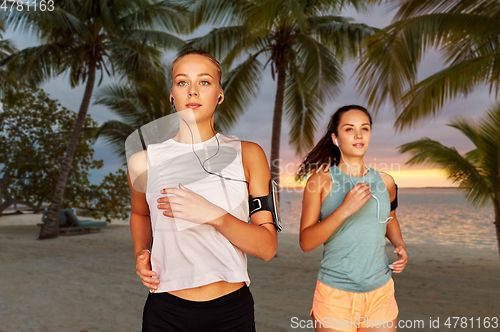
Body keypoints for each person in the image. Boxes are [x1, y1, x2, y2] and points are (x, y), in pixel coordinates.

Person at [127, 50, 278, 332]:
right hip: (165, 310)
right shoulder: (143, 161)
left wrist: (213, 215)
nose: (193, 91)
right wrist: (141, 252)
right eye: (182, 82)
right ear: (172, 94)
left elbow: (267, 247)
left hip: (231, 311)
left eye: (205, 82)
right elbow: (140, 214)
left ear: (220, 94)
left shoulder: (248, 155)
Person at [297, 105, 408, 332]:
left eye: (364, 129)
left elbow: (390, 218)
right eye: (349, 129)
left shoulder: (386, 181)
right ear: (336, 138)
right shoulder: (319, 182)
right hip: (335, 294)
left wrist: (399, 244)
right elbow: (306, 242)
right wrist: (345, 209)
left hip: (381, 292)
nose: (359, 135)